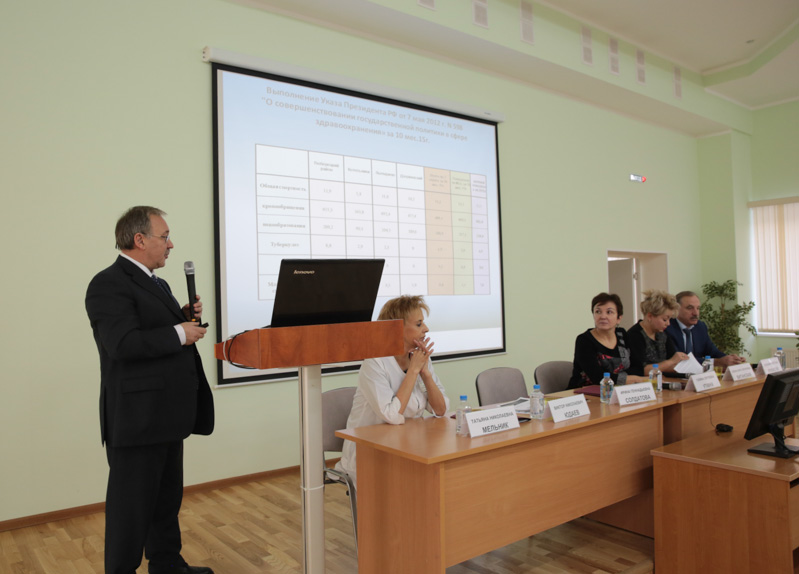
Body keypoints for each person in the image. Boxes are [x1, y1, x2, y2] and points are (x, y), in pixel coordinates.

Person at [85, 206, 215, 574]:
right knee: (130, 511)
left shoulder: (158, 284)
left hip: (167, 414)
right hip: (137, 420)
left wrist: (181, 317)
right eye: (165, 237)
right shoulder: (108, 283)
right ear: (139, 240)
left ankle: (167, 564)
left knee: (165, 501)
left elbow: (149, 329)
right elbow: (122, 344)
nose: (171, 245)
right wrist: (179, 332)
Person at [337, 295, 449, 488]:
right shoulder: (375, 362)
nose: (426, 329)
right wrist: (413, 371)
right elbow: (392, 415)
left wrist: (425, 374)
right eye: (419, 324)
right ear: (397, 329)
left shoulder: (420, 358)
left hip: (408, 445)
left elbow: (441, 410)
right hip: (369, 453)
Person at [569, 293, 647, 389]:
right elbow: (597, 377)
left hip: (620, 390)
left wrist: (624, 378)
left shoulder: (622, 335)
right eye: (598, 311)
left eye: (609, 312)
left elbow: (638, 369)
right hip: (585, 392)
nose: (603, 316)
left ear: (619, 318)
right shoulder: (584, 340)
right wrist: (631, 378)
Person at [665, 290, 746, 368]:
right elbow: (680, 360)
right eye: (690, 308)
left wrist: (732, 360)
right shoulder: (667, 327)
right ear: (676, 309)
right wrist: (716, 362)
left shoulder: (700, 326)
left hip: (698, 374)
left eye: (698, 308)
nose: (696, 313)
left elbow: (712, 351)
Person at [626, 290, 689, 375]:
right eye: (665, 319)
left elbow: (672, 362)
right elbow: (642, 370)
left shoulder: (662, 334)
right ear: (650, 316)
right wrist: (671, 361)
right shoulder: (634, 335)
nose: (668, 324)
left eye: (669, 319)